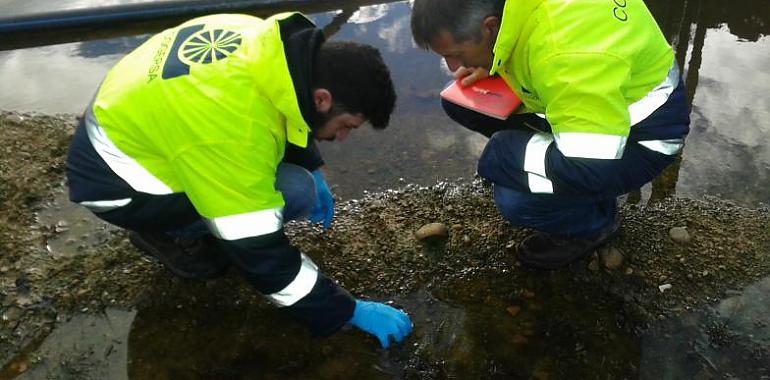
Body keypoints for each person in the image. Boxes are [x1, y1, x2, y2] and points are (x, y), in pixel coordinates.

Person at [66, 12, 412, 348]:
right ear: (322, 99)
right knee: (285, 196)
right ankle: (169, 234)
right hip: (116, 185)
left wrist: (312, 163)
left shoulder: (264, 42)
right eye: (347, 126)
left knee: (298, 183)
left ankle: (186, 217)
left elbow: (285, 107)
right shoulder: (233, 132)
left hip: (127, 125)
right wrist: (345, 310)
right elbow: (260, 252)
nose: (342, 139)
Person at [411, 0, 690, 269]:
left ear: (489, 27)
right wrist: (495, 62)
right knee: (461, 101)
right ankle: (551, 175)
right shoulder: (523, 18)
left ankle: (594, 223)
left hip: (641, 139)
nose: (451, 65)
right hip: (597, 105)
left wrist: (503, 156)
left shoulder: (565, 56)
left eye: (456, 53)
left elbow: (591, 168)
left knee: (515, 200)